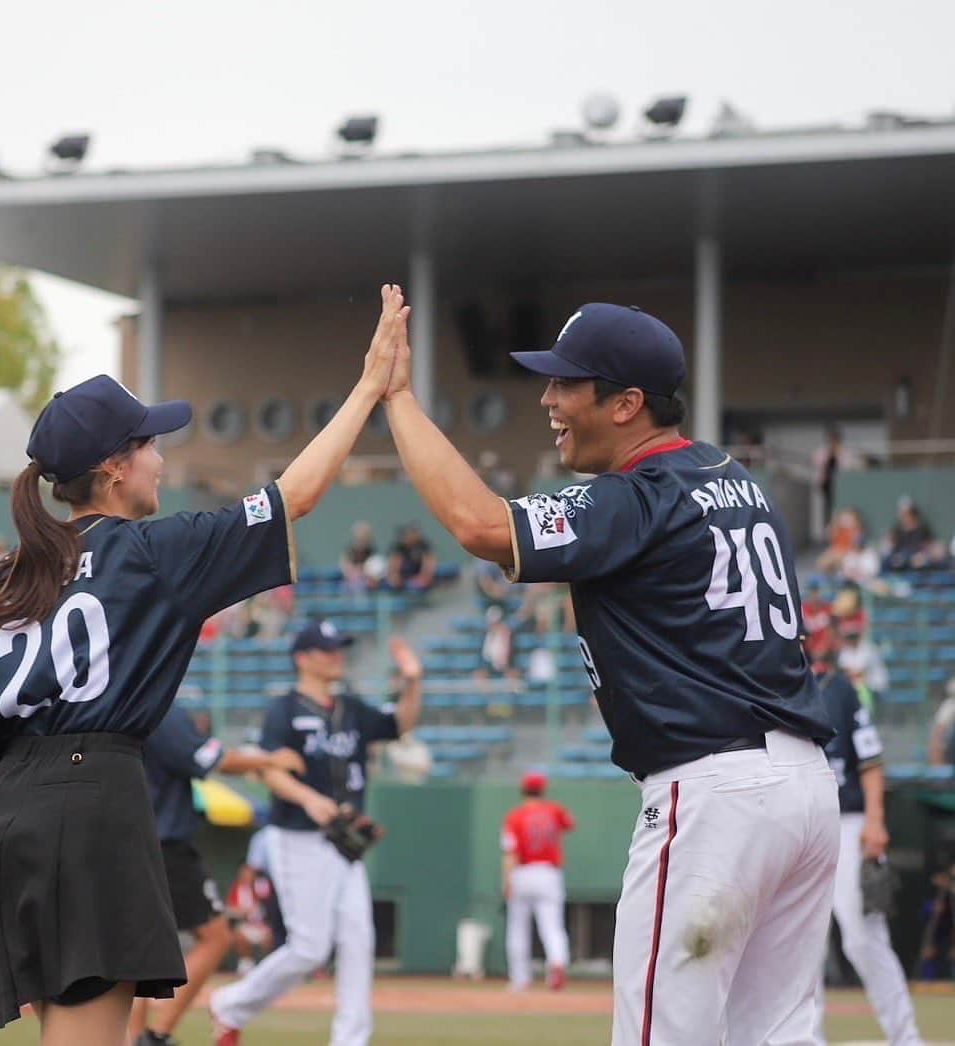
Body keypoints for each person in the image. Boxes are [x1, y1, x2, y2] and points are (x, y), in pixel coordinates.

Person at [0, 283, 409, 1044]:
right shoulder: (150, 553)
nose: (160, 457)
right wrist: (370, 387)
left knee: (69, 1032)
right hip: (93, 804)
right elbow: (293, 497)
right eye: (148, 445)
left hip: (11, 816)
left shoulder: (9, 577)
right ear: (113, 466)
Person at [382, 300, 840, 1044]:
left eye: (568, 384)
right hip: (805, 788)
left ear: (627, 404)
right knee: (779, 1035)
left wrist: (396, 398)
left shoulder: (640, 494)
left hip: (716, 793)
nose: (549, 401)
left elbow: (482, 527)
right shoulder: (733, 477)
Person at [209, 625, 423, 1046]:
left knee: (359, 941)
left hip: (345, 843)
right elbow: (269, 769)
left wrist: (413, 681)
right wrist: (308, 798)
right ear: (302, 657)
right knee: (309, 948)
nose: (336, 657)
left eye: (338, 649)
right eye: (327, 651)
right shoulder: (284, 709)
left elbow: (400, 723)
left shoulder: (351, 708)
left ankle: (351, 1040)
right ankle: (231, 1004)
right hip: (298, 836)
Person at [129, 703, 304, 1046]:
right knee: (215, 936)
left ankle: (136, 1037)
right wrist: (268, 760)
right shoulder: (160, 708)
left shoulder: (125, 701)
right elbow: (215, 760)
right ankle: (154, 1035)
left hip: (131, 838)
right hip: (164, 843)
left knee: (134, 951)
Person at [814, 656, 923, 1045]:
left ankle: (905, 1037)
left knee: (863, 936)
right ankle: (806, 1038)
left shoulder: (839, 690)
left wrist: (876, 820)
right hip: (797, 822)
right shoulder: (763, 684)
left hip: (848, 820)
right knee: (799, 945)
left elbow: (871, 760)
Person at [501, 771, 574, 992]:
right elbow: (570, 823)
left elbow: (509, 852)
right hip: (549, 872)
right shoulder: (555, 811)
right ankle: (557, 964)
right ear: (543, 790)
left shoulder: (514, 816)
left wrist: (506, 880)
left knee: (517, 928)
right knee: (552, 927)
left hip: (522, 872)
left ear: (523, 790)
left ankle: (520, 979)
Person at [385, 523, 436, 592]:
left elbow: (428, 565)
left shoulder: (423, 546)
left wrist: (423, 577)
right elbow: (393, 566)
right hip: (403, 578)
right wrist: (394, 577)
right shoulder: (399, 547)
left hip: (418, 577)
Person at [340, 521, 378, 594]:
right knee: (345, 586)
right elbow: (345, 567)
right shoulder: (350, 550)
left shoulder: (372, 551)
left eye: (364, 535)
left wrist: (364, 573)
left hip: (366, 582)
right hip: (352, 581)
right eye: (359, 536)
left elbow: (373, 571)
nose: (361, 538)